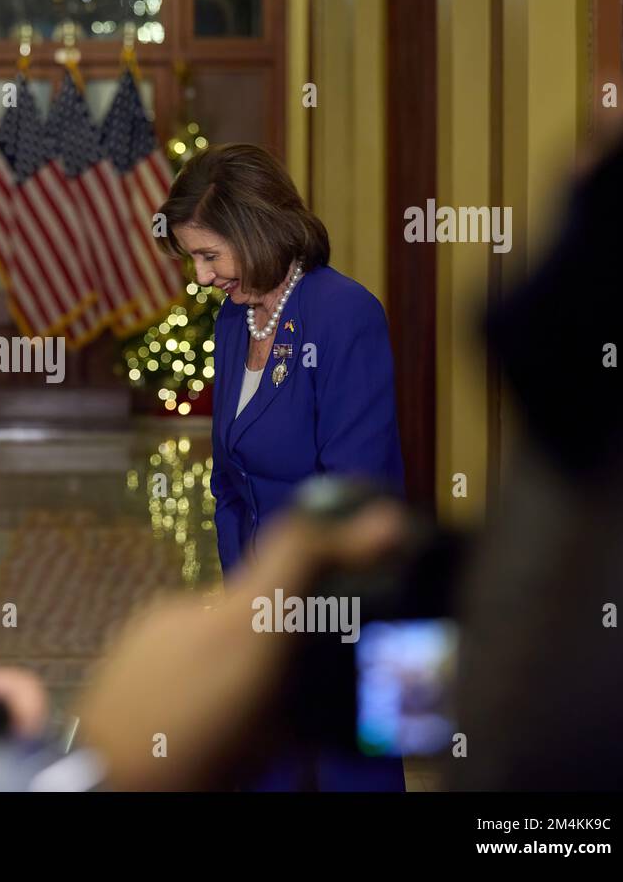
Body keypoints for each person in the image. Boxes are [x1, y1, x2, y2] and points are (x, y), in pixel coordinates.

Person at [158, 143, 406, 790]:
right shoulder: (234, 322)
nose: (203, 276)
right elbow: (229, 484)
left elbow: (352, 495)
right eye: (193, 259)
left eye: (210, 255)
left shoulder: (343, 314)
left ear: (256, 229)